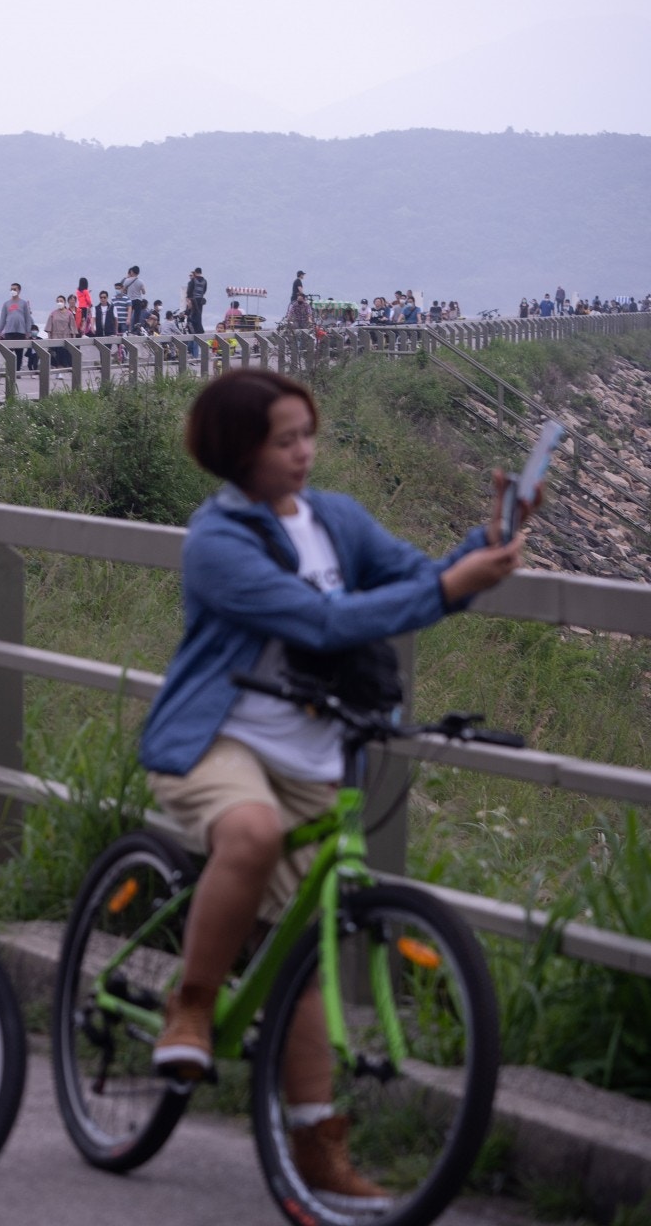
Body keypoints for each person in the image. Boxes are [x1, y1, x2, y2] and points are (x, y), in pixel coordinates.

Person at [138, 368, 528, 1205]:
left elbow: (417, 581)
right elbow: (319, 621)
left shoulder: (336, 519)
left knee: (301, 957)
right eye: (284, 440)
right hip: (220, 742)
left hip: (320, 755)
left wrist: (487, 542)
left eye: (307, 434)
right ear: (239, 450)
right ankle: (191, 1004)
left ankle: (316, 1145)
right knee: (251, 834)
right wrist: (448, 587)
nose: (303, 452)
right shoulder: (217, 542)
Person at [0, 283, 35, 369]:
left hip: (21, 332)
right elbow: (2, 319)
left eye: (14, 289)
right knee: (9, 353)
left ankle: (17, 371)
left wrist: (28, 332)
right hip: (9, 331)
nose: (12, 291)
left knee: (19, 353)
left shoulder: (23, 303)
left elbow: (27, 318)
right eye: (11, 289)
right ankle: (10, 370)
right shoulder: (6, 304)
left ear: (19, 290)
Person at [45, 292, 77, 366]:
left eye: (61, 301)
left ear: (65, 302)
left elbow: (73, 328)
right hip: (55, 339)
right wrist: (49, 341)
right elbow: (49, 328)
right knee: (56, 360)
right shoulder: (53, 313)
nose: (59, 302)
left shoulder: (69, 314)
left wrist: (74, 341)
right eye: (58, 301)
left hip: (66, 339)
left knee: (66, 360)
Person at [118, 266, 148, 334]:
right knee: (136, 317)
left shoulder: (127, 280)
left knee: (128, 316)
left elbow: (122, 290)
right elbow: (144, 292)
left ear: (132, 272)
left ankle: (127, 330)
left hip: (130, 300)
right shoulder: (141, 282)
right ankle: (135, 331)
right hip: (138, 300)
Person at [185, 267, 208, 334]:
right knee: (199, 315)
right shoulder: (205, 281)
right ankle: (200, 330)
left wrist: (188, 299)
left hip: (193, 300)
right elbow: (204, 290)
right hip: (200, 300)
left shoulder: (193, 280)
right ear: (201, 272)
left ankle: (195, 331)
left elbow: (189, 291)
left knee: (192, 315)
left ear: (195, 272)